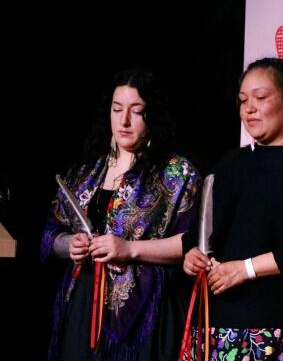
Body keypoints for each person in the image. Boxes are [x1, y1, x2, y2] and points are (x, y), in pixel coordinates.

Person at [182, 58, 283, 360]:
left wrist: (246, 269)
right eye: (243, 100)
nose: (249, 108)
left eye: (261, 98)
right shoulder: (229, 165)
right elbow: (198, 235)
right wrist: (193, 257)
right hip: (218, 328)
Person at [41, 69, 202, 360]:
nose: (124, 120)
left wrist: (129, 249)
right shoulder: (87, 171)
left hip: (145, 305)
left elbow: (191, 243)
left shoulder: (177, 172)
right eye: (117, 110)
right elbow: (50, 234)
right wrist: (70, 245)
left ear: (152, 115)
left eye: (136, 111)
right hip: (83, 301)